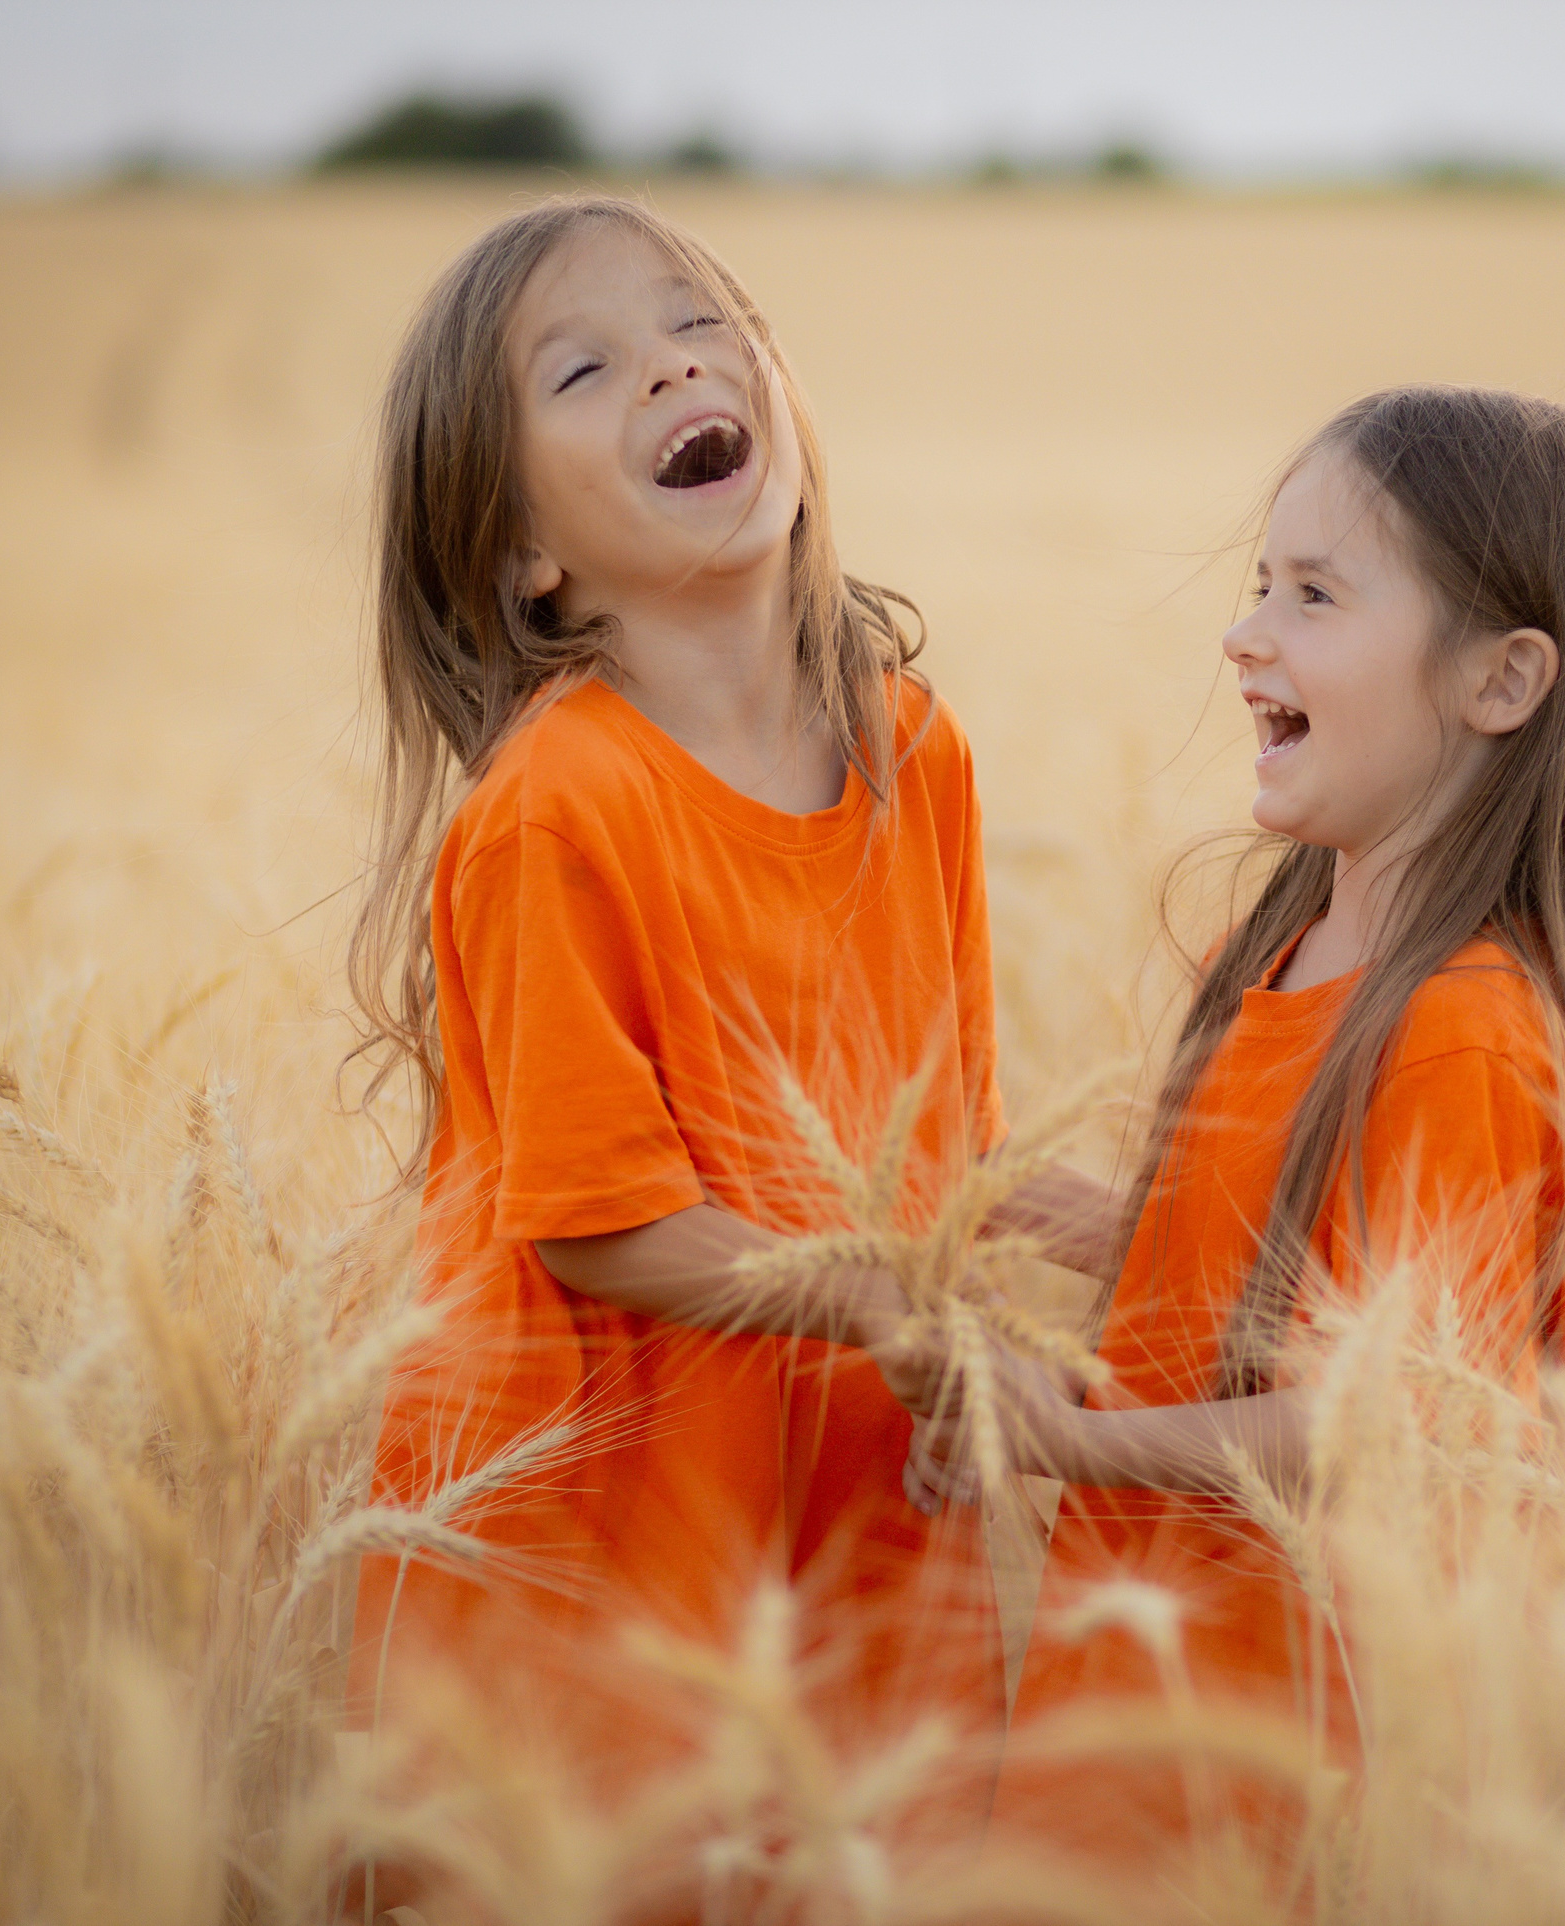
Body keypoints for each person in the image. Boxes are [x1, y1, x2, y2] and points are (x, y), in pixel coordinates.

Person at [337, 196, 1103, 1908]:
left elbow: (942, 1149)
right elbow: (599, 1217)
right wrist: (884, 1300)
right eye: (587, 364)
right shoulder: (558, 806)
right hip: (603, 1529)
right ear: (522, 556)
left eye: (701, 321)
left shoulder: (915, 749)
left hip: (848, 1503)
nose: (673, 359)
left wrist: (1149, 1229)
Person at [944, 385, 1565, 1881]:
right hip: (1147, 1699)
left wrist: (1065, 1438)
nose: (1245, 634)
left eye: (1316, 595)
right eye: (1257, 585)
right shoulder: (1282, 953)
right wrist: (1040, 1213)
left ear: (1500, 682)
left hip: (1305, 1756)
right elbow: (1257, 1270)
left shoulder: (1462, 1023)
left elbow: (1386, 1413)